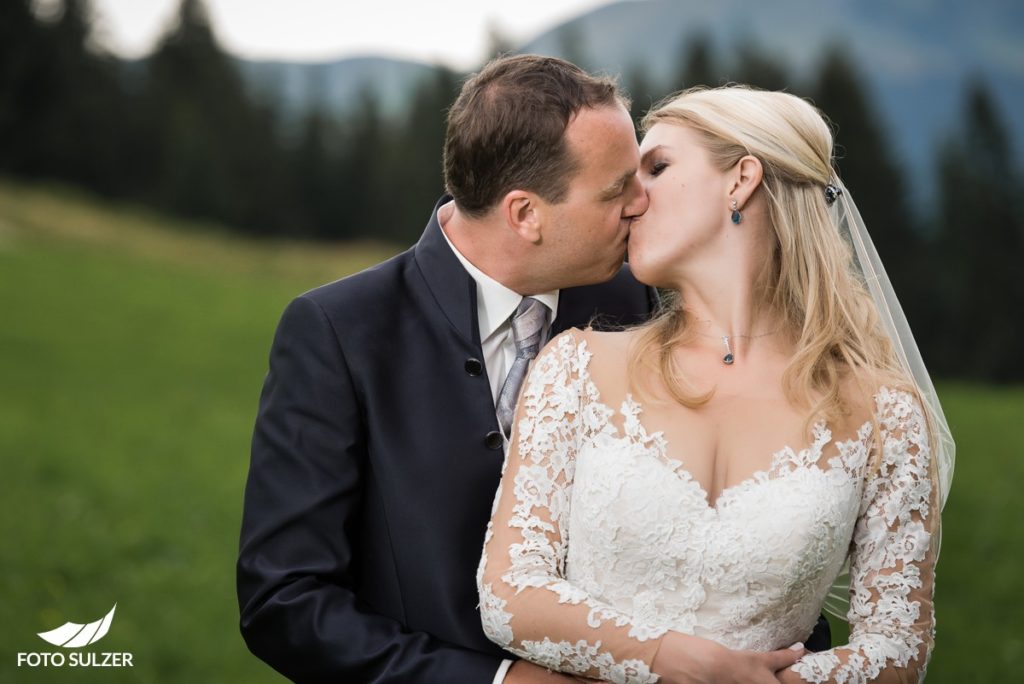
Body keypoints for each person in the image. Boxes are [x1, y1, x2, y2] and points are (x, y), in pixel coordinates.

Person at [477, 85, 954, 684]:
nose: (631, 198)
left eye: (656, 166)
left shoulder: (885, 413)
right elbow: (509, 594)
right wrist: (668, 660)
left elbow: (897, 646)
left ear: (741, 180)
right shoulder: (575, 367)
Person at [237, 54, 659, 683]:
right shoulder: (338, 333)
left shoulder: (638, 305)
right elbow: (286, 600)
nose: (641, 202)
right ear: (525, 215)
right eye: (615, 189)